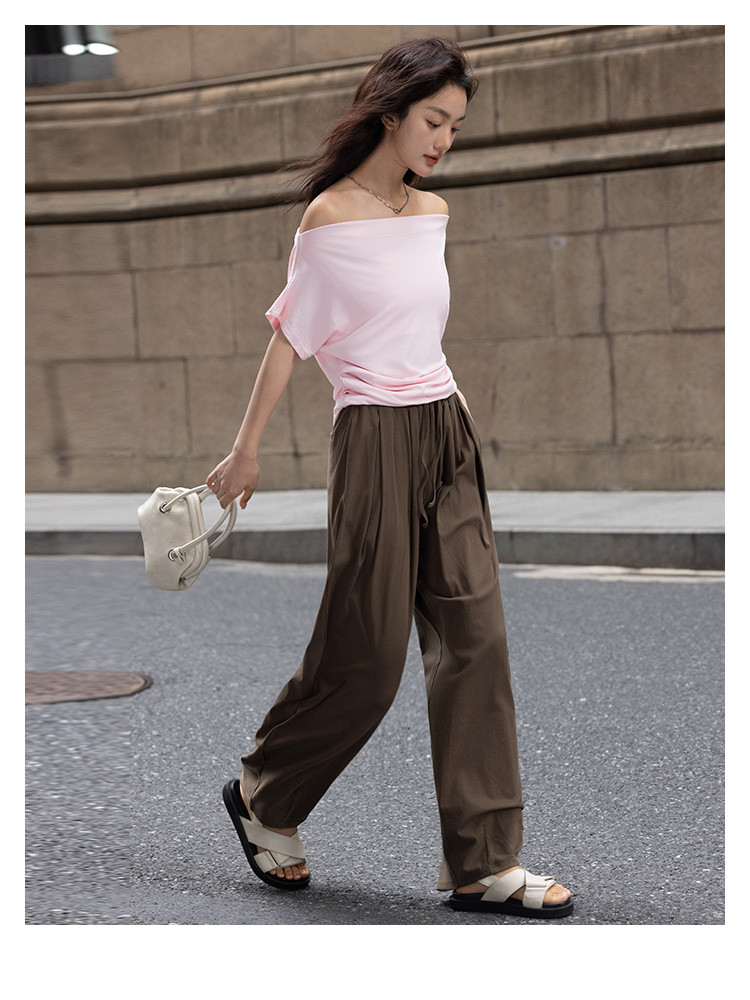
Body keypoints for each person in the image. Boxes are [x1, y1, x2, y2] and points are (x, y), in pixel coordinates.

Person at [211, 36, 573, 919]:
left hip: (446, 428)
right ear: (390, 112)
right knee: (368, 658)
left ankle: (483, 863)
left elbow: (419, 332)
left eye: (455, 127)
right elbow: (290, 337)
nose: (444, 140)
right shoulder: (330, 218)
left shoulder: (432, 212)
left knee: (476, 642)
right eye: (434, 120)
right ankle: (266, 795)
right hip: (373, 436)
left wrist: (459, 426)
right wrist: (246, 449)